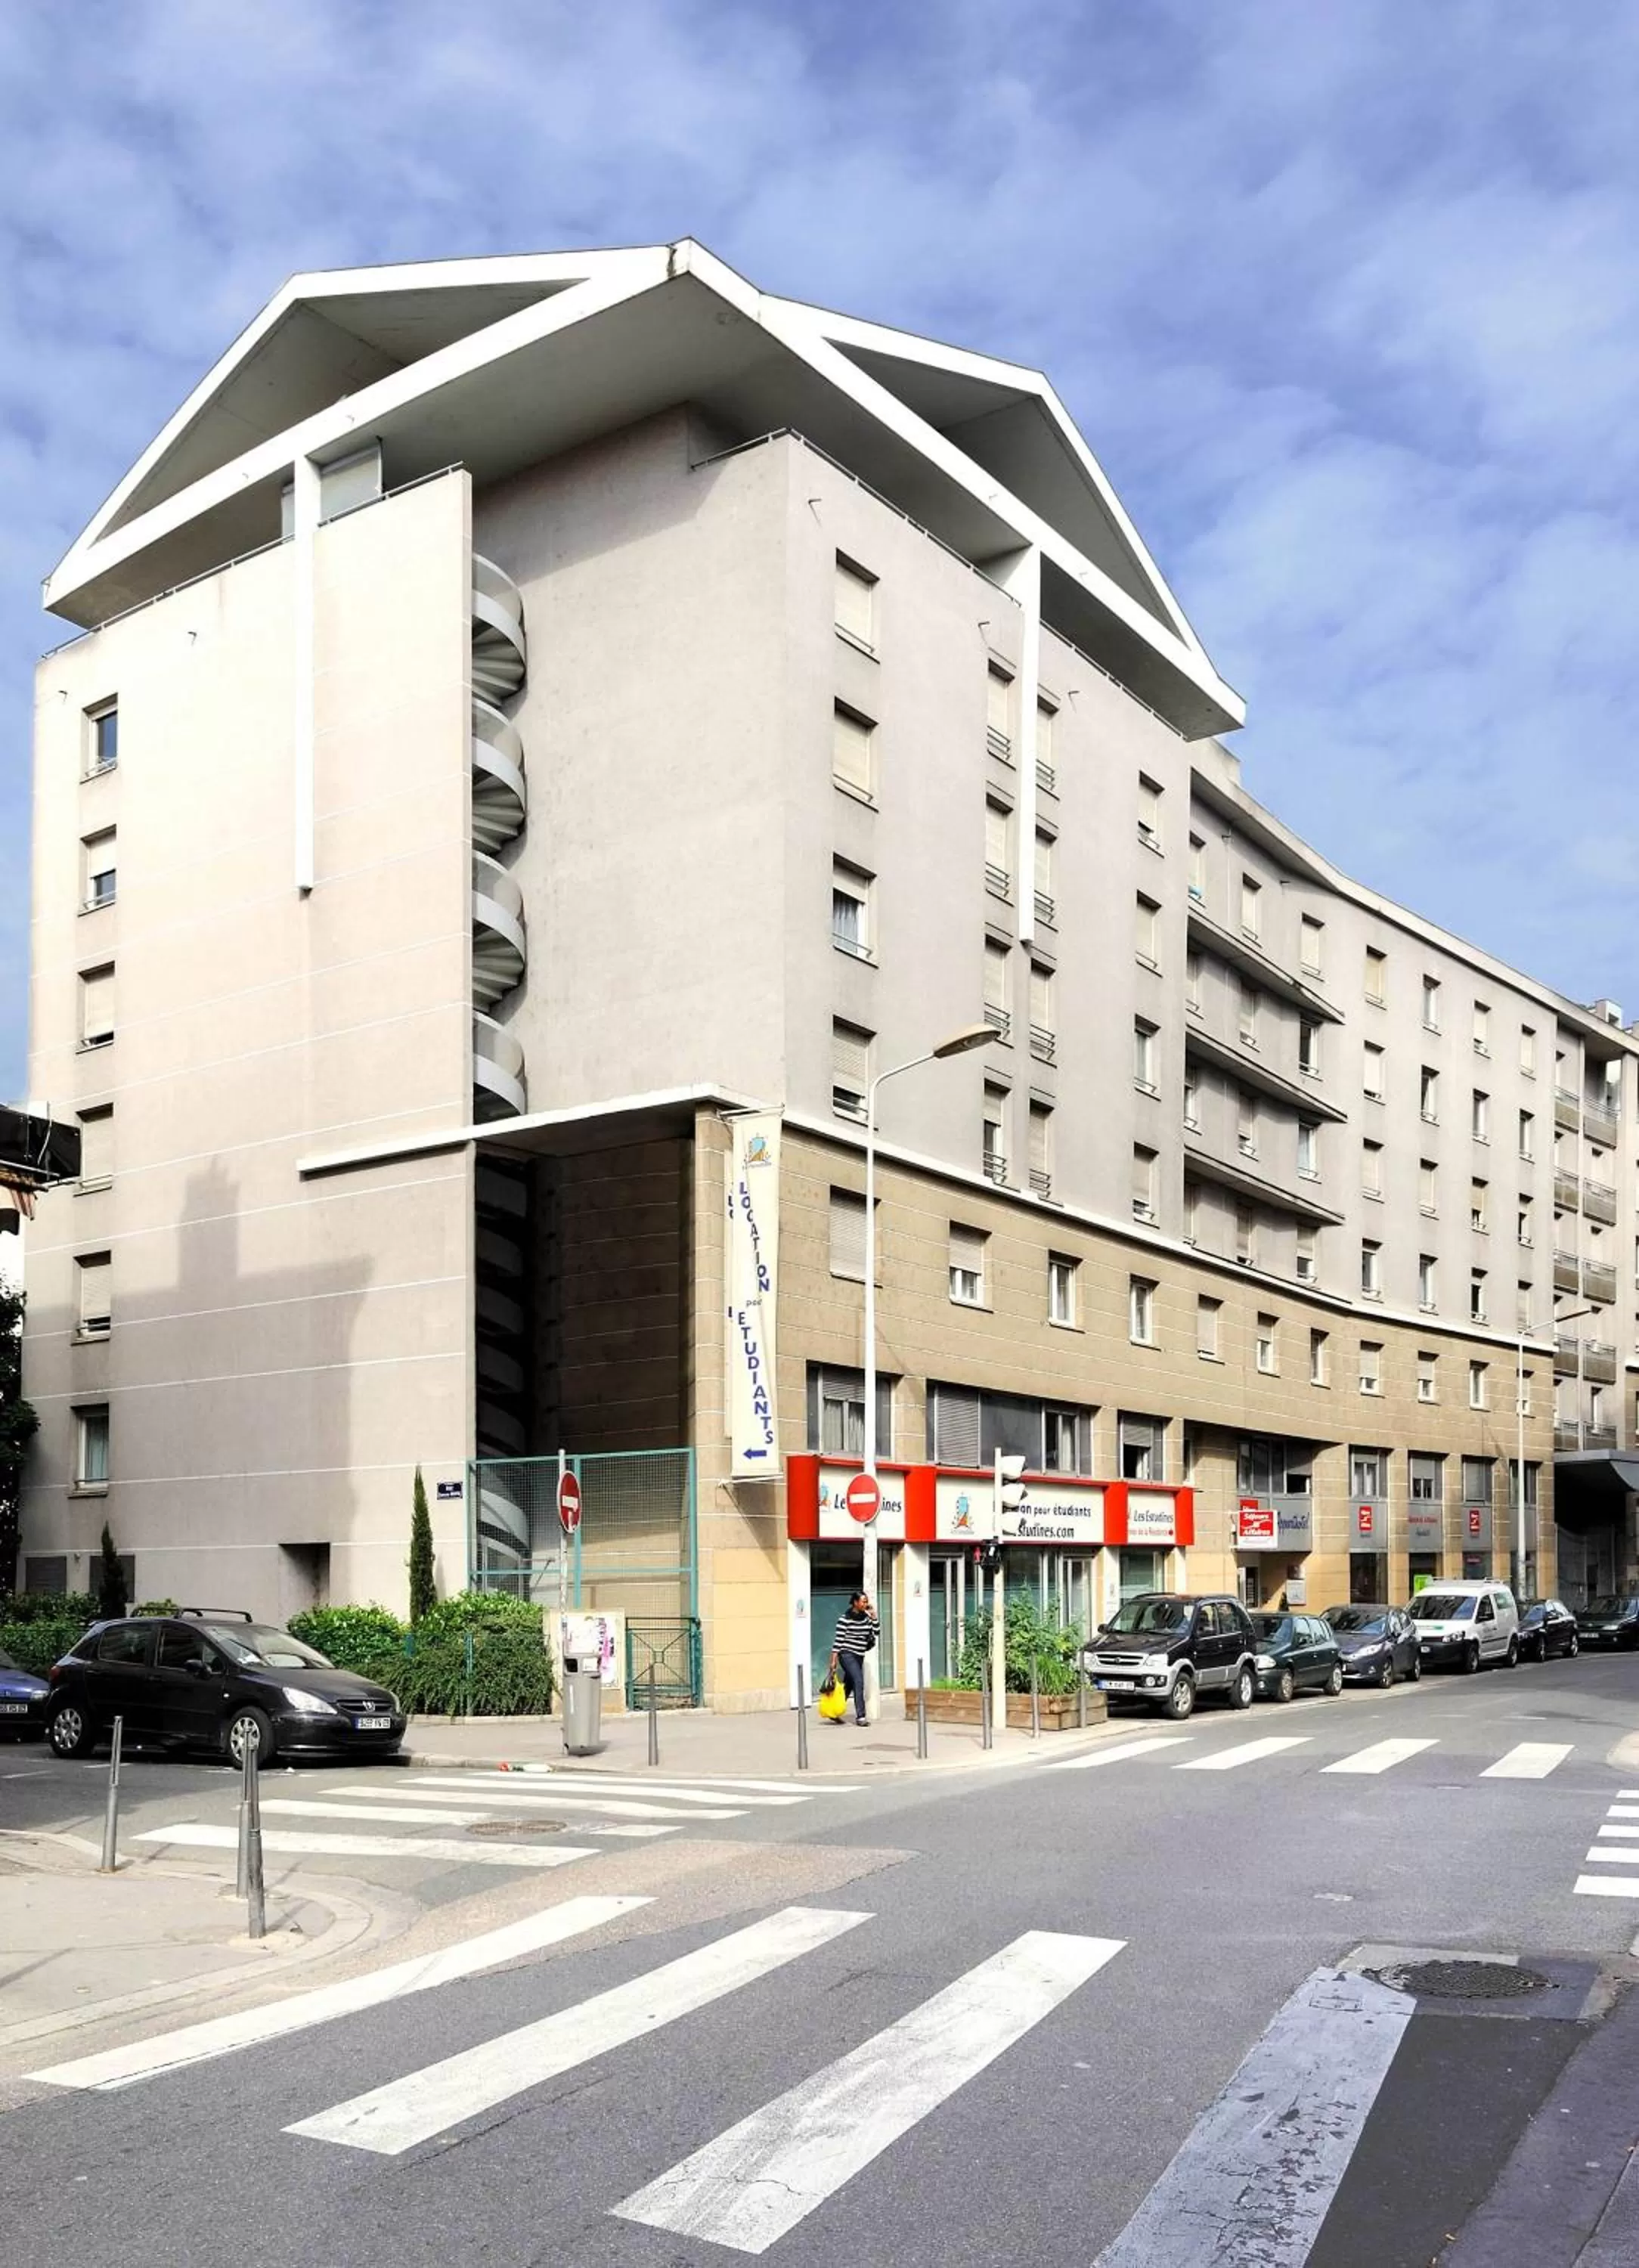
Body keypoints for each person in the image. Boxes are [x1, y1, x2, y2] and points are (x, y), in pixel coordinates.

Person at [829, 1591, 878, 1725]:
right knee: (859, 1681)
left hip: (859, 1655)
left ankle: (834, 1712)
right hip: (846, 1654)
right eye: (863, 1601)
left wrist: (874, 1618)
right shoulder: (845, 1619)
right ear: (855, 1603)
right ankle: (861, 1716)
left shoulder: (866, 1618)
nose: (865, 1604)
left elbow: (876, 1632)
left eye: (866, 1601)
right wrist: (833, 1661)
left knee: (849, 1685)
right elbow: (838, 1641)